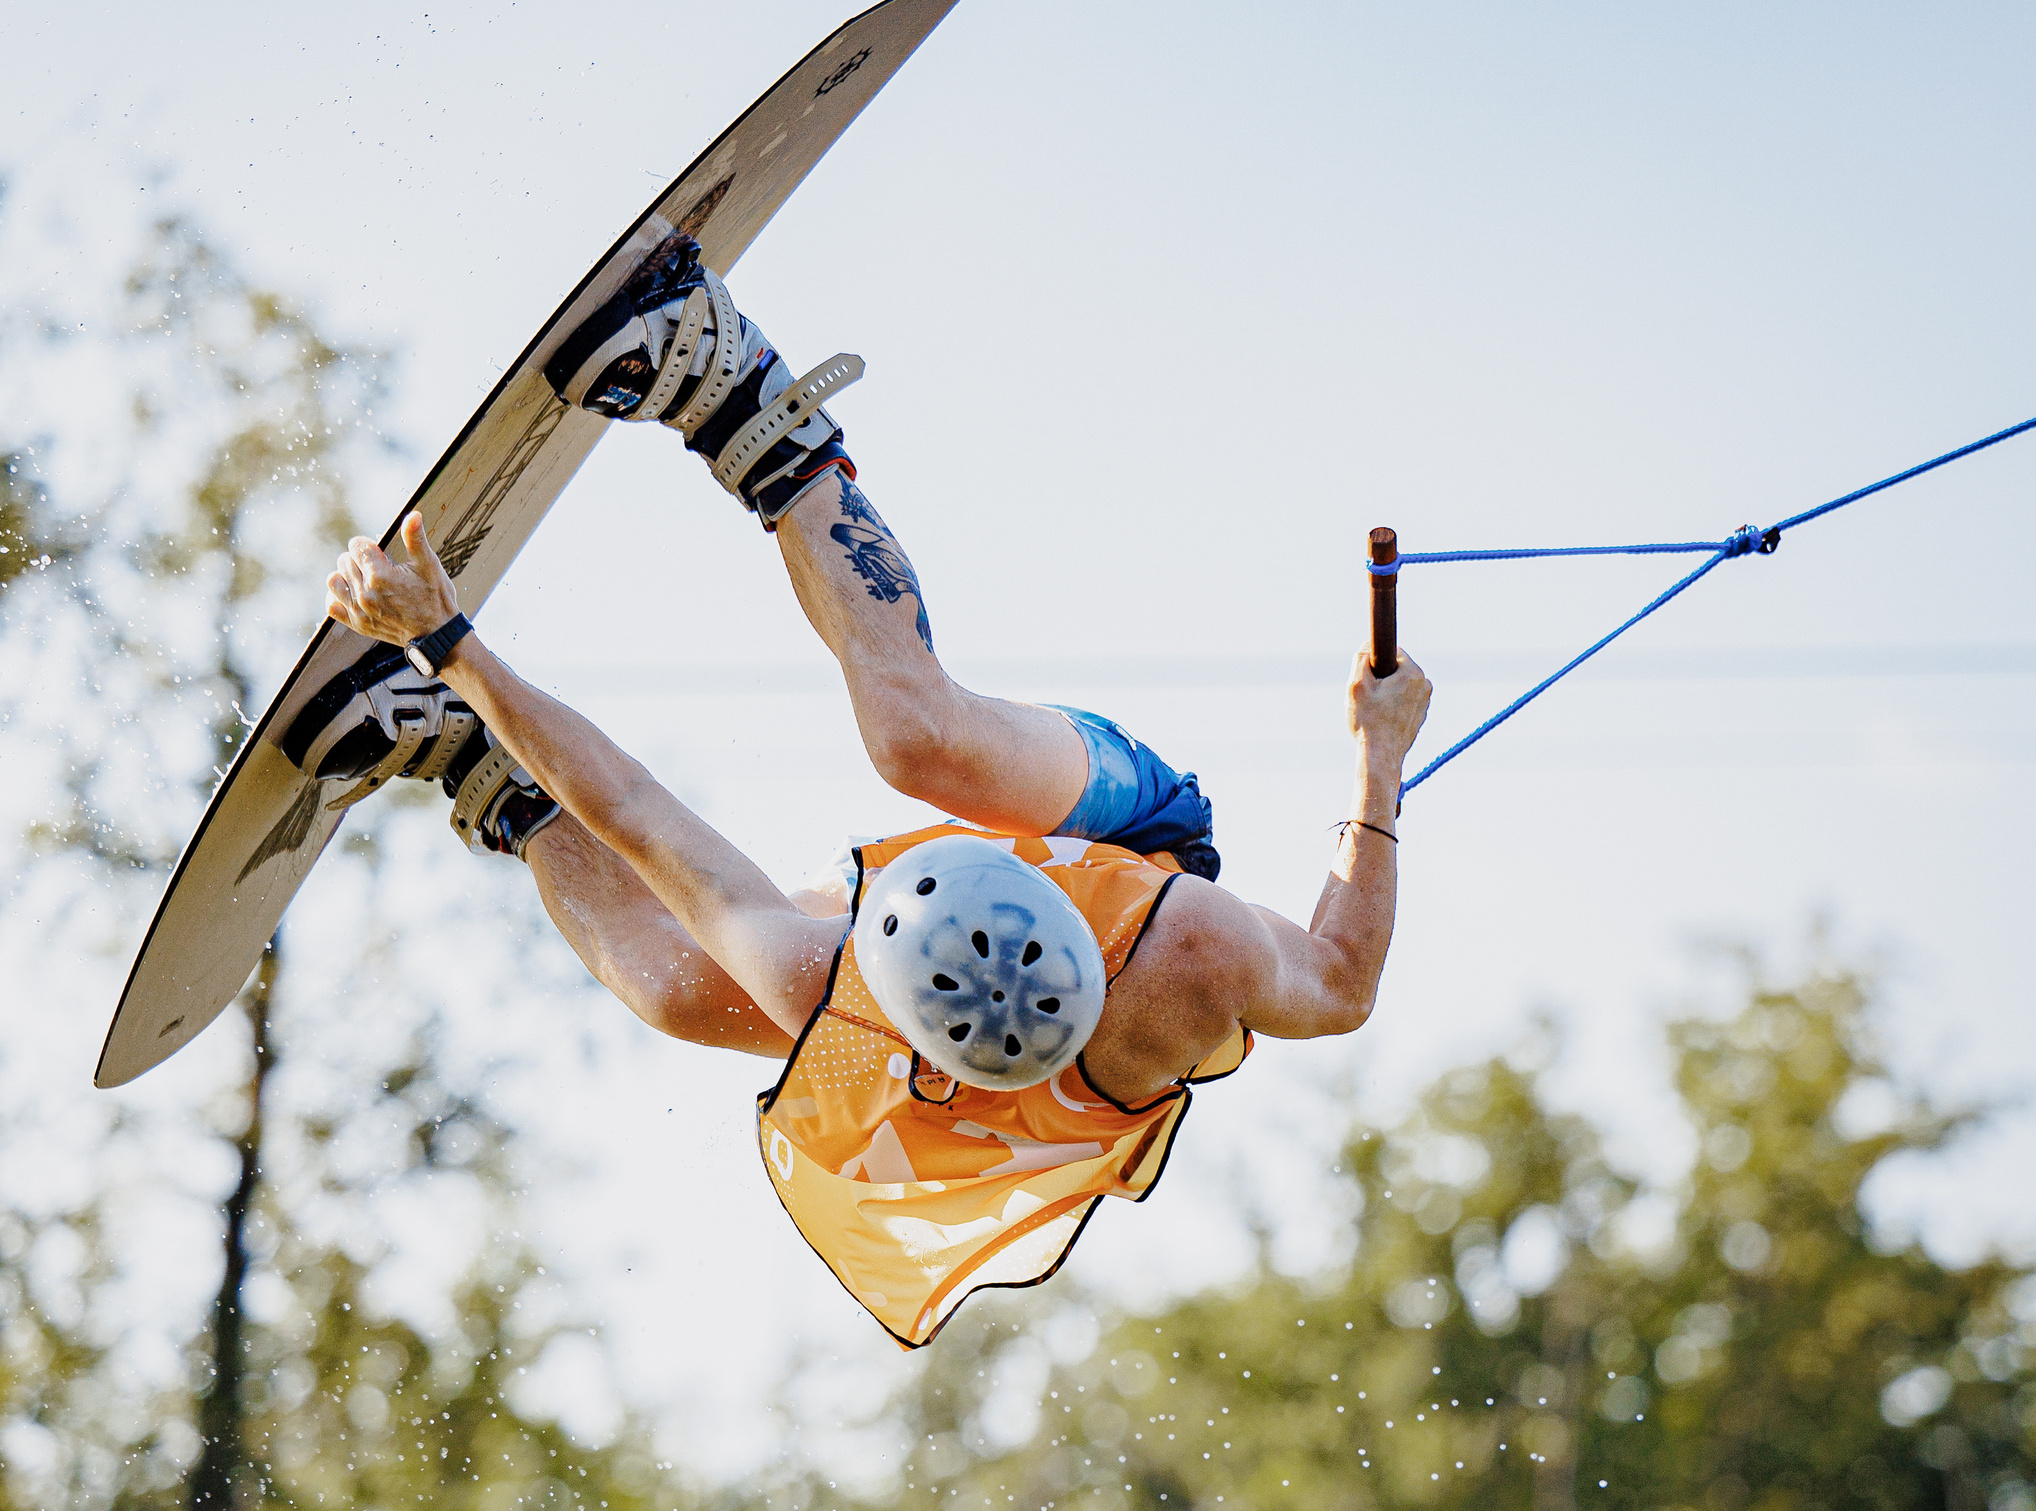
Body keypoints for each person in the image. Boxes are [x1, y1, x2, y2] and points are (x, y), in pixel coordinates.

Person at [290, 238, 1433, 1345]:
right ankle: (729, 381)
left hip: (1019, 1085)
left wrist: (450, 654)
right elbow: (1342, 983)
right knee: (917, 744)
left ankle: (469, 761)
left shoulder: (829, 983)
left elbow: (638, 816)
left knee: (680, 988)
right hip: (1142, 829)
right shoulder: (1199, 932)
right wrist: (1377, 749)